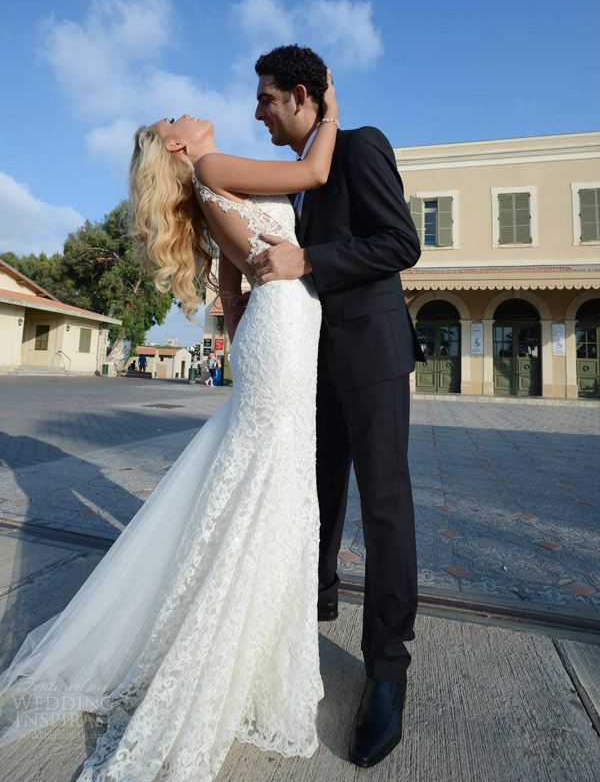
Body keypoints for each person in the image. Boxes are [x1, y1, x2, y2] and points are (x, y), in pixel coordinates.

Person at [0, 76, 339, 781]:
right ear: (180, 144)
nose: (186, 110)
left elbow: (230, 294)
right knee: (272, 483)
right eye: (174, 116)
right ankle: (238, 653)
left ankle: (242, 641)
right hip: (283, 330)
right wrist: (329, 109)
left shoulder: (208, 191)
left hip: (272, 332)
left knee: (263, 483)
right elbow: (314, 170)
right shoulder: (214, 168)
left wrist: (250, 349)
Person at [251, 44, 424, 769]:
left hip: (373, 354)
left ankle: (387, 669)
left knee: (383, 506)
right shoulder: (290, 179)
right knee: (314, 498)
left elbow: (400, 243)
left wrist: (309, 259)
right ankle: (315, 605)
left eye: (265, 98)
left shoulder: (358, 147)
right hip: (308, 363)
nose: (256, 111)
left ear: (299, 95)